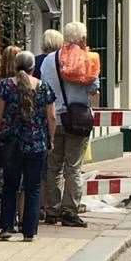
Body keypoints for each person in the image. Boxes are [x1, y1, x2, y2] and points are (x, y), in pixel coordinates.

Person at [0, 50, 56, 241]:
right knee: (33, 187)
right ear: (32, 67)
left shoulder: (4, 86)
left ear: (14, 66)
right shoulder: (43, 87)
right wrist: (50, 138)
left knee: (10, 185)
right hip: (36, 143)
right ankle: (29, 231)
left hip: (11, 143)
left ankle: (6, 227)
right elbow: (51, 116)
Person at [41, 21, 100, 227]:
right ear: (82, 38)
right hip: (77, 119)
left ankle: (52, 210)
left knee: (53, 166)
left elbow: (43, 87)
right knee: (73, 167)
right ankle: (70, 211)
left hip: (53, 118)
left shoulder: (48, 60)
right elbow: (93, 88)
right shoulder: (86, 59)